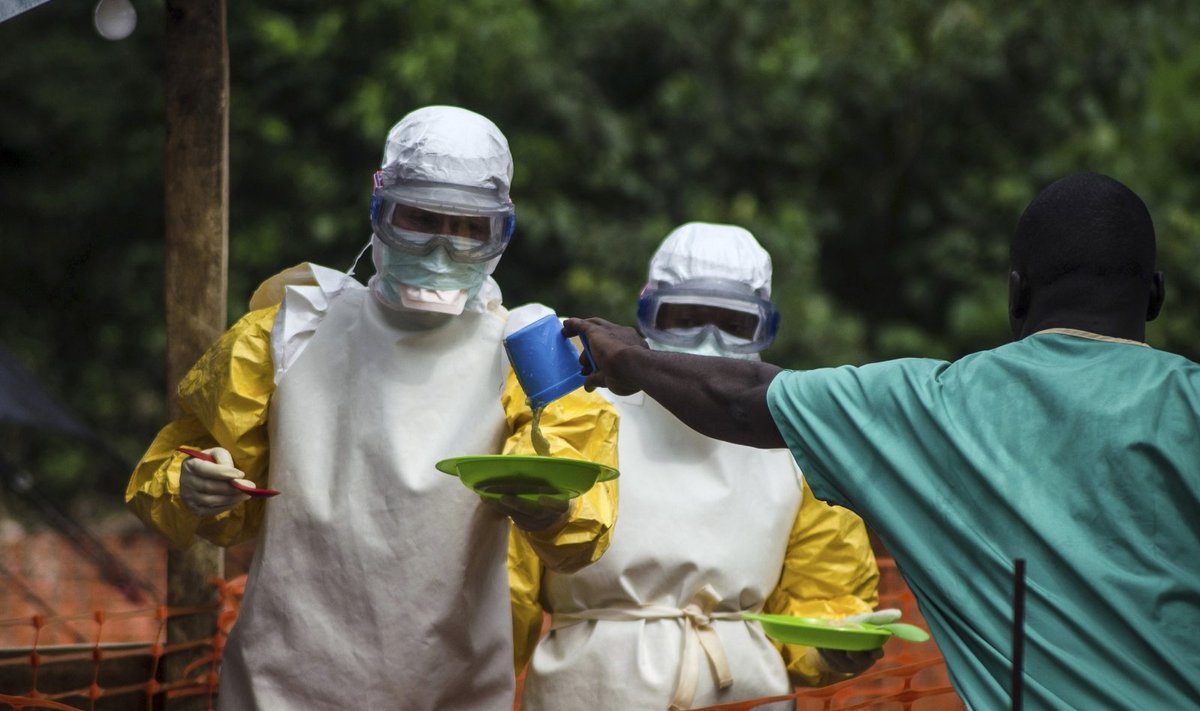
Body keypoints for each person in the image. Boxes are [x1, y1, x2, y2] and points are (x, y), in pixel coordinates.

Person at [563, 173, 1200, 710]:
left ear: (1016, 293)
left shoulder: (929, 407)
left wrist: (624, 357)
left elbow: (742, 399)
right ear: (1154, 296)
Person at [125, 105, 619, 710]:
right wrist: (190, 480)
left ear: (501, 231)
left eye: (468, 228)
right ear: (379, 208)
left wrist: (549, 511)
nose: (442, 246)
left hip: (449, 690)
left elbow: (580, 535)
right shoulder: (288, 332)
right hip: (280, 687)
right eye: (420, 218)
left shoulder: (528, 352)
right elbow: (174, 474)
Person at [511, 222, 886, 711]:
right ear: (647, 316)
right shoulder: (583, 408)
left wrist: (834, 645)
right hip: (592, 689)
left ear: (764, 330)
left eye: (733, 325)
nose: (707, 341)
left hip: (746, 692)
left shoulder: (790, 442)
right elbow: (506, 583)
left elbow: (823, 592)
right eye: (684, 318)